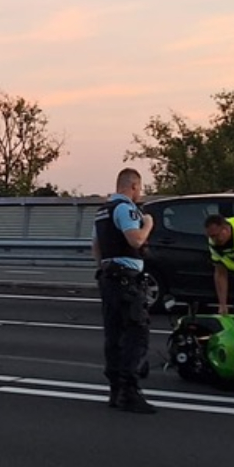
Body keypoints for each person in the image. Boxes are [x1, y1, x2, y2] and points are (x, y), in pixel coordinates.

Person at [93, 167, 157, 413]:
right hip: (126, 280)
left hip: (109, 277)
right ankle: (130, 392)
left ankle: (115, 391)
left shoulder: (102, 212)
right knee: (135, 334)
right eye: (139, 189)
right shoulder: (127, 209)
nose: (139, 193)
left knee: (114, 336)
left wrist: (104, 268)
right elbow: (136, 240)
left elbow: (96, 246)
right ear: (132, 187)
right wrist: (148, 224)